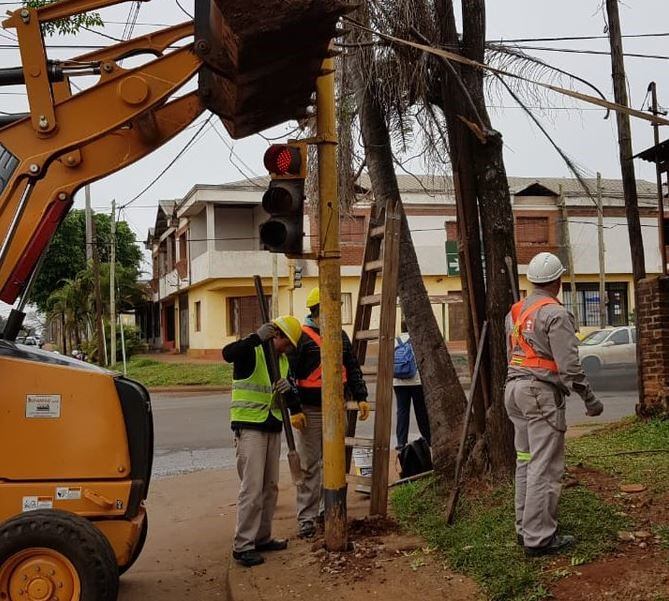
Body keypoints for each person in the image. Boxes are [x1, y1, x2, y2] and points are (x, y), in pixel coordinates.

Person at [504, 252, 603, 557]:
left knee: (525, 460)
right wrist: (590, 399)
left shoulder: (516, 312)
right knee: (544, 467)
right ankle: (539, 538)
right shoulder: (555, 314)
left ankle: (525, 529)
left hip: (514, 392)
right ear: (557, 281)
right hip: (539, 394)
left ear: (533, 280)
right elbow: (570, 367)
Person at [222, 315, 307, 567]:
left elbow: (287, 390)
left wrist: (293, 402)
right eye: (287, 344)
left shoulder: (281, 362)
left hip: (272, 427)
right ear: (276, 335)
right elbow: (228, 353)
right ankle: (243, 545)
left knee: (269, 487)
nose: (289, 350)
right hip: (250, 428)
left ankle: (262, 537)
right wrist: (255, 337)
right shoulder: (252, 352)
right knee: (252, 488)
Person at [290, 287, 370, 538]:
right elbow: (289, 374)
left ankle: (329, 510)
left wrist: (361, 396)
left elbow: (352, 366)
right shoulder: (300, 338)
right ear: (316, 312)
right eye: (327, 309)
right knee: (309, 466)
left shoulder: (340, 335)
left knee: (333, 463)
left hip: (336, 409)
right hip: (310, 411)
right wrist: (294, 409)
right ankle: (307, 518)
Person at [393, 321, 430, 450]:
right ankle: (428, 438)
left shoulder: (395, 341)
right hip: (416, 381)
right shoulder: (416, 341)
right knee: (420, 411)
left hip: (398, 382)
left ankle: (401, 442)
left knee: (402, 411)